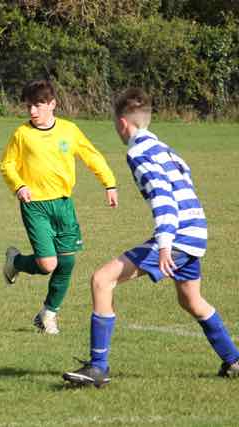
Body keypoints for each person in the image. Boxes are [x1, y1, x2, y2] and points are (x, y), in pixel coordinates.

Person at [62, 88, 239, 387]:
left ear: (122, 123)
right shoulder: (163, 147)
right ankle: (234, 360)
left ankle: (98, 368)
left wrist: (165, 243)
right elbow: (185, 175)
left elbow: (162, 197)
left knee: (102, 280)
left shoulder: (138, 152)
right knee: (191, 300)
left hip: (178, 235)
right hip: (195, 231)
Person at [0, 79, 118, 335]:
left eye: (38, 105)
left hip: (63, 204)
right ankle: (16, 261)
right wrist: (19, 186)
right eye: (29, 106)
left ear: (52, 104)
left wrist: (109, 183)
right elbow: (7, 164)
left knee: (67, 262)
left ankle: (48, 314)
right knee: (48, 265)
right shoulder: (22, 134)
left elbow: (91, 156)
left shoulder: (69, 130)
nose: (32, 111)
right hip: (35, 205)